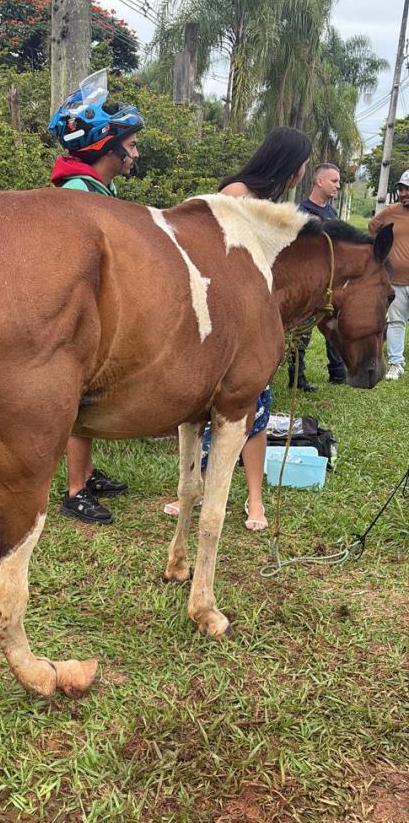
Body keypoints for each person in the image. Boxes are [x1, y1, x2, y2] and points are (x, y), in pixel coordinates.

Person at [165, 126, 312, 531]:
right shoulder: (236, 195)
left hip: (253, 324)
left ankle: (254, 500)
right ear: (289, 163)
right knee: (205, 413)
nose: (302, 171)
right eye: (302, 163)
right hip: (220, 323)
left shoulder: (271, 203)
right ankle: (191, 490)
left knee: (254, 416)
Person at [47, 71, 145, 523]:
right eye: (130, 145)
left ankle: (85, 476)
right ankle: (74, 491)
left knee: (90, 393)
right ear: (106, 146)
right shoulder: (77, 193)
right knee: (78, 397)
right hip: (77, 311)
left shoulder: (97, 188)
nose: (135, 153)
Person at [287, 163, 347, 389]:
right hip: (307, 284)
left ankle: (338, 373)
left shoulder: (332, 214)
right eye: (334, 181)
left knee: (334, 326)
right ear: (319, 181)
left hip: (331, 282)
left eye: (338, 181)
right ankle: (296, 378)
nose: (338, 186)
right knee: (302, 332)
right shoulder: (300, 213)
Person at [369, 170, 409, 380]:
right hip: (397, 281)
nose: (403, 193)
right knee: (396, 322)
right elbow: (372, 228)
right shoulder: (390, 212)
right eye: (401, 189)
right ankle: (396, 363)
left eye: (407, 189)